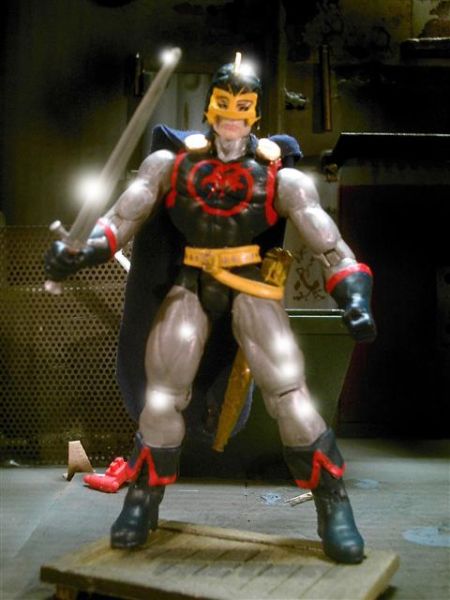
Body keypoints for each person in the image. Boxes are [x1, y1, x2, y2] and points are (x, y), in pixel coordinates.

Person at [45, 56, 376, 564]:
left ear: (256, 113)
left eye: (243, 106)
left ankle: (333, 503)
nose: (232, 116)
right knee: (161, 397)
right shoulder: (172, 165)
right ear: (210, 107)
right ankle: (143, 499)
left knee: (290, 395)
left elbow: (330, 247)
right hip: (191, 281)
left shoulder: (280, 178)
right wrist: (80, 251)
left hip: (249, 283)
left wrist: (352, 296)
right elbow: (121, 218)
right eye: (224, 103)